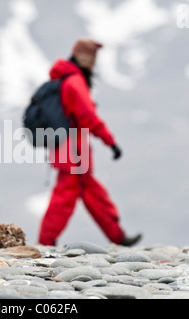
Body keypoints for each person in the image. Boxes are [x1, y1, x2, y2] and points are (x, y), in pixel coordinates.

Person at [38, 38, 142, 247]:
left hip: (71, 150)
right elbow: (88, 117)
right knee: (64, 199)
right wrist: (110, 142)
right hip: (73, 152)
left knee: (94, 194)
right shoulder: (75, 82)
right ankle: (45, 243)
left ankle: (118, 237)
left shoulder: (68, 79)